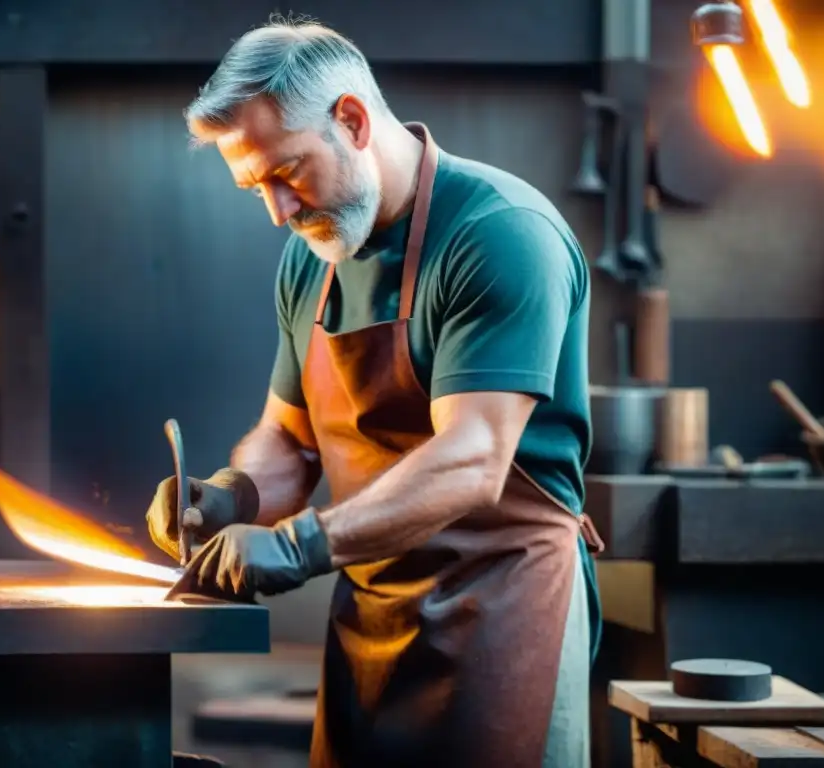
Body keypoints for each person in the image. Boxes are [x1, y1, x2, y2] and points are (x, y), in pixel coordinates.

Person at [146, 17, 603, 768]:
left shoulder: (501, 234)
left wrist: (296, 544)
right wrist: (230, 495)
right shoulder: (312, 259)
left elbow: (472, 459)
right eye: (254, 187)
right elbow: (287, 441)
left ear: (352, 119)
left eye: (285, 173)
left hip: (504, 608)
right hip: (371, 616)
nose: (278, 213)